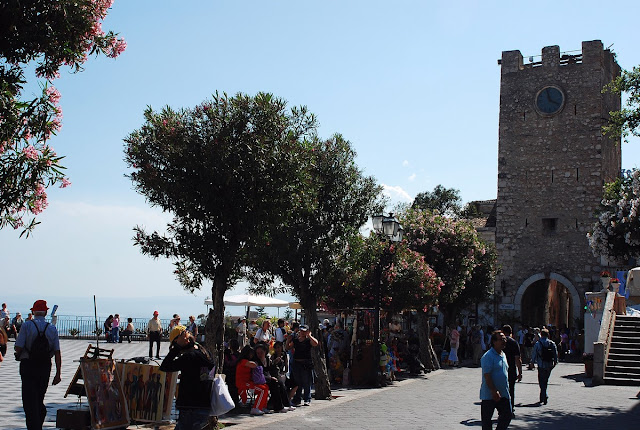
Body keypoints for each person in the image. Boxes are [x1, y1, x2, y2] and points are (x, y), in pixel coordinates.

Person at [14, 300, 62, 430]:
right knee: (39, 397)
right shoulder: (51, 328)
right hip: (45, 366)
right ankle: (39, 419)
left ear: (33, 312)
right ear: (46, 312)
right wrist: (58, 373)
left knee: (29, 400)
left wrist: (19, 353)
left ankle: (34, 426)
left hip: (28, 365)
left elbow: (18, 346)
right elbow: (57, 352)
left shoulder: (27, 326)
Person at [160, 325, 215, 429]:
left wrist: (176, 348)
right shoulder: (205, 353)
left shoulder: (189, 357)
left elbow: (165, 366)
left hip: (190, 407)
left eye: (175, 344)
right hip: (203, 405)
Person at [480, 330, 511, 430]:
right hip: (490, 395)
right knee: (487, 422)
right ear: (494, 341)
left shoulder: (503, 354)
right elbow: (487, 375)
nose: (504, 341)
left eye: (504, 339)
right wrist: (494, 391)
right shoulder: (488, 356)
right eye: (501, 339)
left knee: (507, 415)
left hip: (503, 394)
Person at [287, 324, 318, 406]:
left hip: (305, 363)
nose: (302, 333)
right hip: (296, 363)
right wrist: (288, 341)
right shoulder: (296, 340)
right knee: (297, 382)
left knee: (307, 382)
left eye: (304, 331)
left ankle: (307, 399)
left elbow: (316, 343)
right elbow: (288, 348)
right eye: (301, 331)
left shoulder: (308, 340)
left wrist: (310, 336)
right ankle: (297, 399)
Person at [235, 345, 269, 415]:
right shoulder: (243, 361)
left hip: (248, 382)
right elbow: (254, 365)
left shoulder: (245, 361)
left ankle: (262, 406)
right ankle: (256, 408)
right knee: (262, 390)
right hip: (243, 383)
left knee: (265, 387)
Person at [530, 328, 558, 405]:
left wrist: (532, 362)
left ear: (541, 335)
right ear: (548, 335)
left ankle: (543, 395)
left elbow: (534, 354)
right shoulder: (552, 343)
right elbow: (555, 354)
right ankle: (544, 395)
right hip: (549, 364)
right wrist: (555, 362)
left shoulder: (538, 344)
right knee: (546, 380)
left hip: (541, 364)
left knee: (541, 380)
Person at [501, 325, 522, 414]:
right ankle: (510, 407)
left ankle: (501, 409)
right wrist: (520, 372)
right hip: (511, 369)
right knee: (511, 390)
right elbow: (517, 358)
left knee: (501, 389)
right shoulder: (514, 343)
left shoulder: (500, 342)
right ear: (511, 332)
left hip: (501, 369)